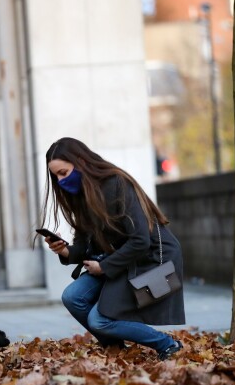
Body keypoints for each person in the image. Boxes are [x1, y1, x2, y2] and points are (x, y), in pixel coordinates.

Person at [38, 137, 185, 360]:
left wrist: (104, 267)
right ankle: (115, 349)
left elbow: (140, 240)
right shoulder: (82, 195)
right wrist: (64, 251)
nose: (60, 181)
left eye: (63, 173)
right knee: (72, 296)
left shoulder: (116, 183)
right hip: (117, 259)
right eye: (56, 176)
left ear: (80, 162)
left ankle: (168, 344)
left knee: (100, 320)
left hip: (147, 259)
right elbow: (84, 244)